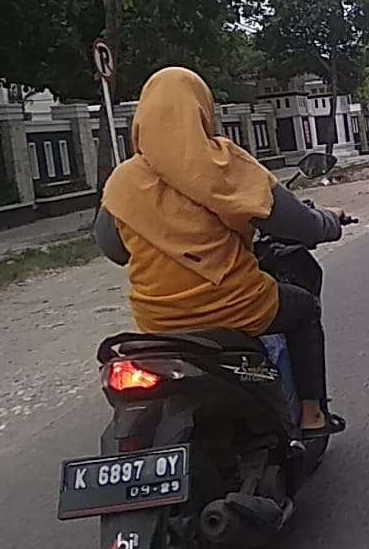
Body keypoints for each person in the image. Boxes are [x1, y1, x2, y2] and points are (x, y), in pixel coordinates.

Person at [93, 66, 345, 437]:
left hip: (158, 323)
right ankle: (312, 416)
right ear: (201, 110)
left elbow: (115, 251)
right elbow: (299, 225)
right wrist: (331, 222)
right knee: (304, 309)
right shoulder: (225, 165)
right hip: (235, 307)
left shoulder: (123, 180)